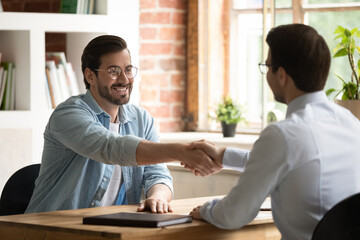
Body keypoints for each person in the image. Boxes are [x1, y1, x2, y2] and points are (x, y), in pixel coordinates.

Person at [189, 24, 360, 240]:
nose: (266, 74)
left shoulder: (282, 135)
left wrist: (206, 210)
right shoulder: (351, 122)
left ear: (281, 74)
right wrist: (225, 156)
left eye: (267, 66)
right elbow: (296, 166)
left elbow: (234, 214)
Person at [26, 35, 221, 214]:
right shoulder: (68, 114)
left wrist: (157, 197)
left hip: (111, 228)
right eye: (113, 71)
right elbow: (111, 147)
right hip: (49, 229)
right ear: (90, 76)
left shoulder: (142, 119)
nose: (124, 79)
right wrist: (182, 151)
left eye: (128, 70)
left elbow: (157, 174)